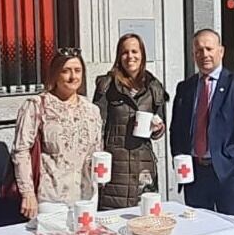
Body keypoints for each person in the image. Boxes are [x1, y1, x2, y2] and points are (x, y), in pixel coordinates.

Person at [169, 28, 234, 219]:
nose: (205, 55)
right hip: (194, 175)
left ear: (221, 51)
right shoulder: (185, 87)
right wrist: (179, 160)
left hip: (227, 174)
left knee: (232, 231)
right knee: (199, 230)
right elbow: (176, 129)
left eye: (209, 49)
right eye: (199, 50)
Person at [12, 48, 103, 221]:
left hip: (86, 197)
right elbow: (21, 150)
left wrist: (100, 171)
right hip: (51, 197)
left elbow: (96, 151)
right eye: (65, 71)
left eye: (77, 71)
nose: (72, 77)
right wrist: (28, 193)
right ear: (55, 74)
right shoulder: (37, 105)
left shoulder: (92, 110)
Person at [93, 33, 169, 209]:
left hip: (143, 166)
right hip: (115, 166)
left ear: (142, 54)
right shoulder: (107, 85)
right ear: (119, 56)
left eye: (135, 51)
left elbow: (160, 127)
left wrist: (158, 128)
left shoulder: (154, 86)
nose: (130, 56)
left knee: (143, 221)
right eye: (125, 52)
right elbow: (96, 127)